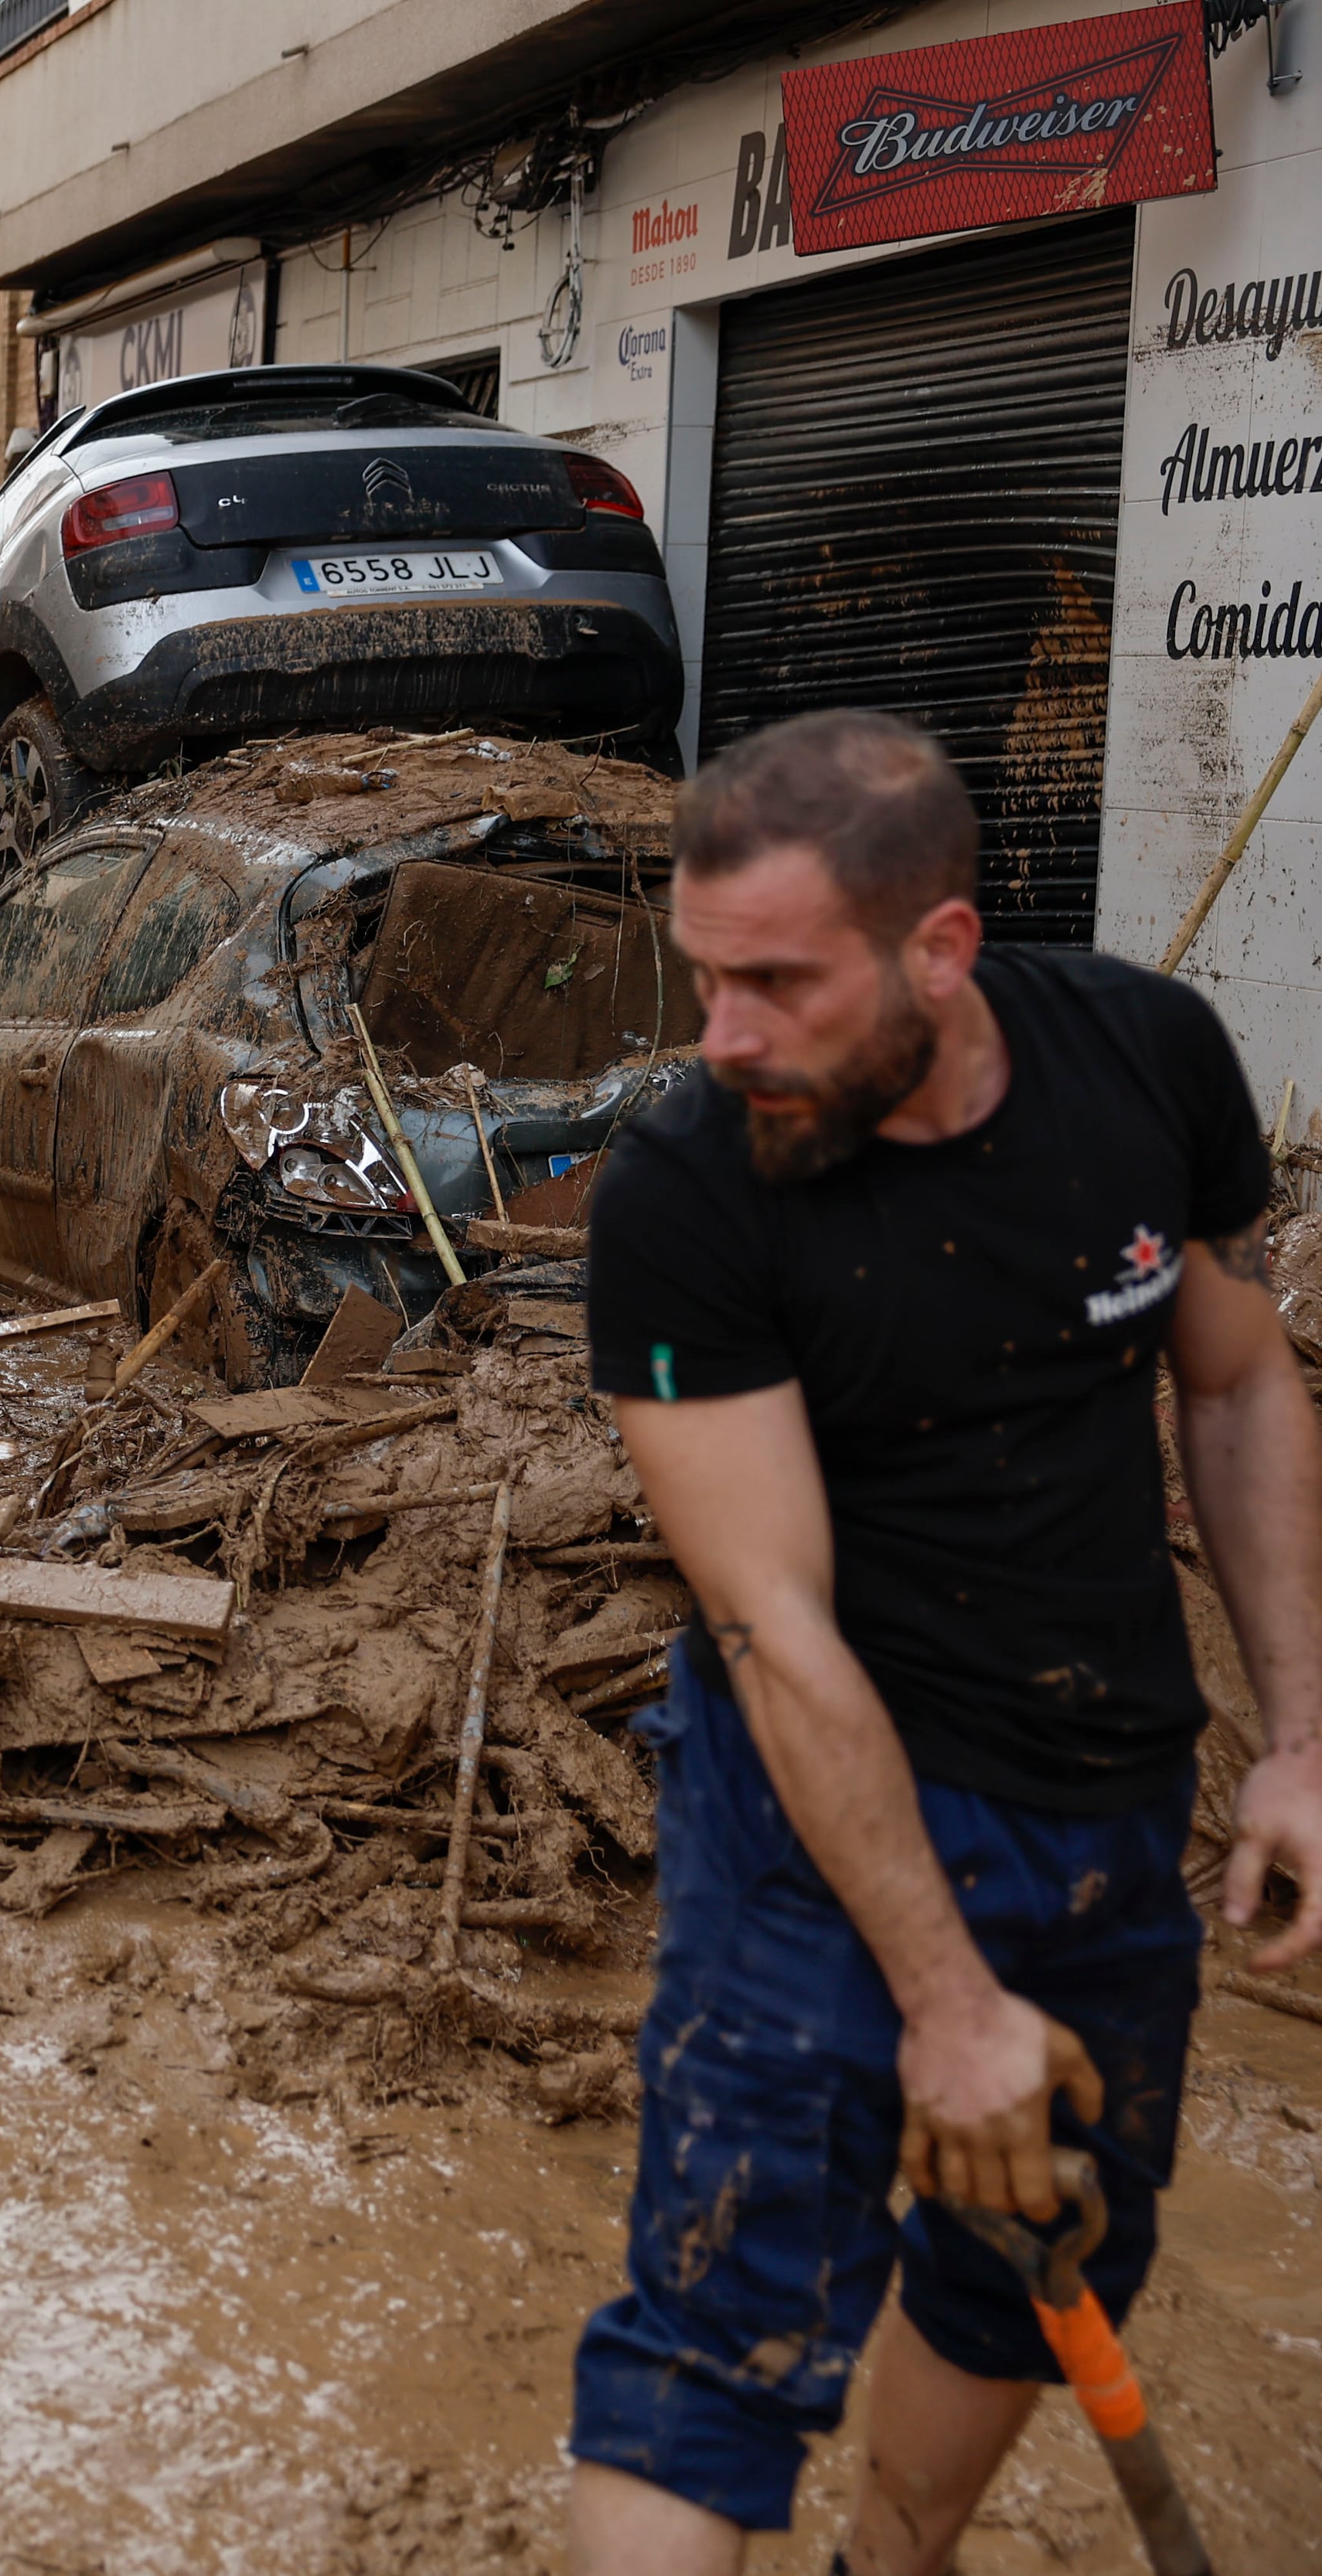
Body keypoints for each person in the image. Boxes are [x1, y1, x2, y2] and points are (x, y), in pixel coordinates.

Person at [571, 709, 1322, 2574]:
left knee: (1034, 2259)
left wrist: (1299, 1737)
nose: (716, 1035)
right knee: (716, 2345)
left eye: (771, 983)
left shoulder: (1144, 1061)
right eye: (701, 978)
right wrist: (947, 1997)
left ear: (940, 950)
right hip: (812, 1818)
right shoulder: (686, 1190)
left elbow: (1233, 1392)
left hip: (1102, 1809)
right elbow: (773, 1624)